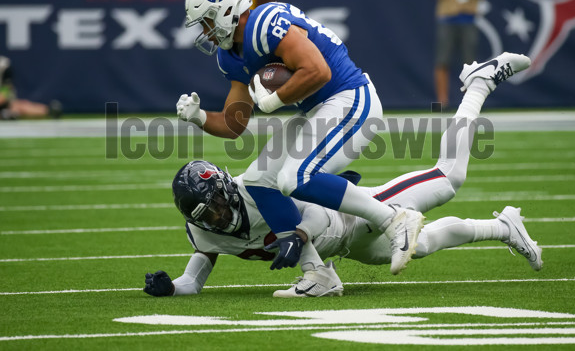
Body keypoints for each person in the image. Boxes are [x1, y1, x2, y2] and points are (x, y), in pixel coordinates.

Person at [145, 54, 541, 298]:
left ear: (224, 186)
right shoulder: (204, 232)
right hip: (349, 248)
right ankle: (504, 227)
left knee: (448, 177)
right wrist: (171, 288)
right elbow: (194, 279)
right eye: (206, 214)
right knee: (418, 247)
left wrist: (299, 240)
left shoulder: (257, 189)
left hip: (353, 216)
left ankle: (478, 86)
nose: (216, 216)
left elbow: (314, 217)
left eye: (214, 204)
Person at [176, 0, 427, 275]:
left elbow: (319, 71)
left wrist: (273, 100)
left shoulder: (264, 23)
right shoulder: (230, 56)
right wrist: (199, 117)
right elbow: (234, 124)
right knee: (259, 180)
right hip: (317, 109)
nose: (206, 31)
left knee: (295, 178)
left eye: (207, 21)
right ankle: (316, 274)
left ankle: (394, 219)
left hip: (349, 96)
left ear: (227, 10)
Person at [434, 0, 488, 108]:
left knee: (470, 63)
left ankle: (469, 103)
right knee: (442, 60)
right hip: (447, 18)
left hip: (468, 19)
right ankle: (442, 102)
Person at [0, 55, 62, 120]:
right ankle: (6, 115)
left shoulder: (3, 64)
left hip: (4, 102)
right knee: (13, 109)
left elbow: (5, 93)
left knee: (18, 106)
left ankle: (50, 111)